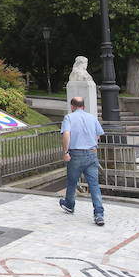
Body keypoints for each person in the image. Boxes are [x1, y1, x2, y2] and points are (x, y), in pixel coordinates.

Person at [59, 96, 105, 226]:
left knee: (72, 181)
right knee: (94, 185)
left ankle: (69, 204)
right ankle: (99, 214)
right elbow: (98, 134)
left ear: (72, 106)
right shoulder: (92, 117)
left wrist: (66, 152)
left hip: (76, 154)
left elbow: (66, 134)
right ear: (83, 106)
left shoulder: (69, 118)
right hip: (91, 154)